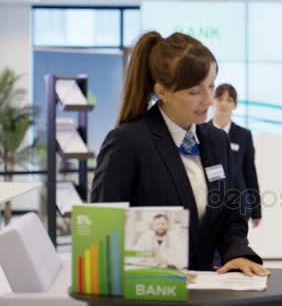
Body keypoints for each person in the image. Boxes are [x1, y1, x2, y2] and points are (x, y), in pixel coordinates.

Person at [91, 31, 269, 277]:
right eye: (194, 92)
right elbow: (105, 228)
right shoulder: (127, 142)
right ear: (162, 91)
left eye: (211, 86)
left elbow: (231, 214)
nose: (208, 100)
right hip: (148, 290)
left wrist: (237, 251)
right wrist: (156, 269)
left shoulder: (217, 141)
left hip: (207, 287)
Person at [210, 83, 262, 228]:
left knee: (236, 248)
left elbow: (250, 172)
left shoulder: (243, 135)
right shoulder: (202, 131)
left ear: (235, 105)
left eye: (229, 100)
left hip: (239, 205)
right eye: (220, 99)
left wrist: (256, 210)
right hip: (209, 205)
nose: (224, 104)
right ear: (212, 101)